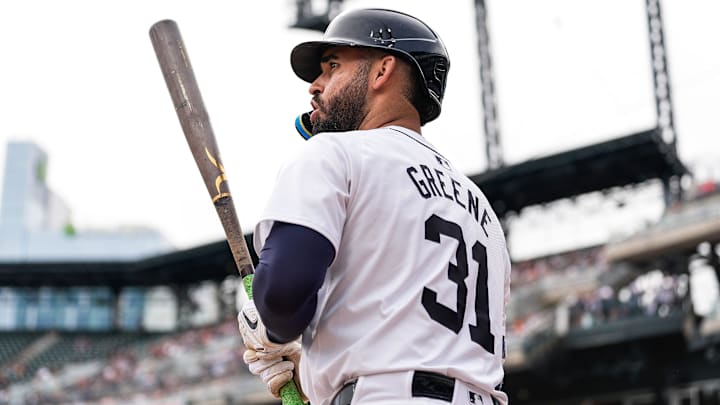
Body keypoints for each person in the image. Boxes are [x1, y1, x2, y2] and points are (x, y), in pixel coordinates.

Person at [237, 8, 511, 405]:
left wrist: (267, 327)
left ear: (383, 71)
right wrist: (308, 372)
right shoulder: (480, 209)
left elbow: (283, 295)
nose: (315, 85)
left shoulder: (333, 153)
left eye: (332, 66)